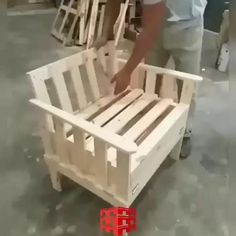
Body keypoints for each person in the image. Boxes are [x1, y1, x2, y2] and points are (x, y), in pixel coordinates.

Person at [94, 0, 207, 159]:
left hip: (188, 24)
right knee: (151, 80)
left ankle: (185, 131)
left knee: (188, 84)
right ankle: (149, 121)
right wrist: (107, 32)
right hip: (158, 20)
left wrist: (127, 72)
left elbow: (150, 30)